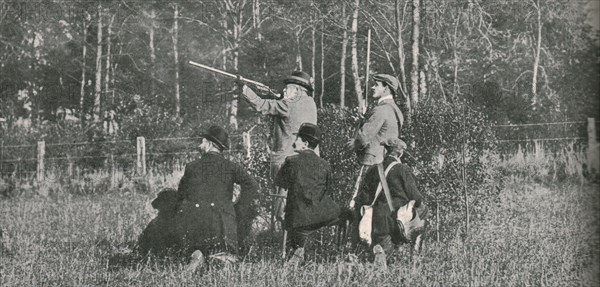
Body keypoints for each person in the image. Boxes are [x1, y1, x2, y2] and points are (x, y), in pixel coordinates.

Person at [175, 125, 258, 272]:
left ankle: (198, 255)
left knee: (197, 246)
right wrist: (238, 206)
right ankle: (221, 259)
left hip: (197, 222)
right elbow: (251, 185)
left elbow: (181, 195)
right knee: (226, 253)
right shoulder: (231, 167)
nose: (199, 145)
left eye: (202, 141)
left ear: (209, 144)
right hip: (222, 223)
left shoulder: (192, 167)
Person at [239, 71, 318, 222]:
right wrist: (275, 95)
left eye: (287, 88)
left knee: (282, 204)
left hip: (285, 161)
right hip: (308, 162)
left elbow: (262, 105)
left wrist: (244, 88)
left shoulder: (287, 104)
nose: (283, 91)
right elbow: (290, 105)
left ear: (296, 90)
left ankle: (281, 238)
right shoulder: (310, 103)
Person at [275, 123, 341, 265]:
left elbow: (281, 191)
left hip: (298, 219)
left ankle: (299, 252)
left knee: (297, 240)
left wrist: (279, 211)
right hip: (322, 216)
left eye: (297, 139)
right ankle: (338, 252)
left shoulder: (291, 162)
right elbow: (328, 191)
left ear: (305, 143)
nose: (294, 142)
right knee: (346, 213)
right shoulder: (325, 164)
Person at [353, 138, 426, 266]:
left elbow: (363, 198)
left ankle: (380, 252)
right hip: (397, 219)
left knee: (383, 247)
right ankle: (413, 252)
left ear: (386, 151)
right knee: (396, 256)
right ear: (400, 153)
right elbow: (416, 197)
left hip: (376, 218)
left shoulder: (373, 170)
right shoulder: (402, 169)